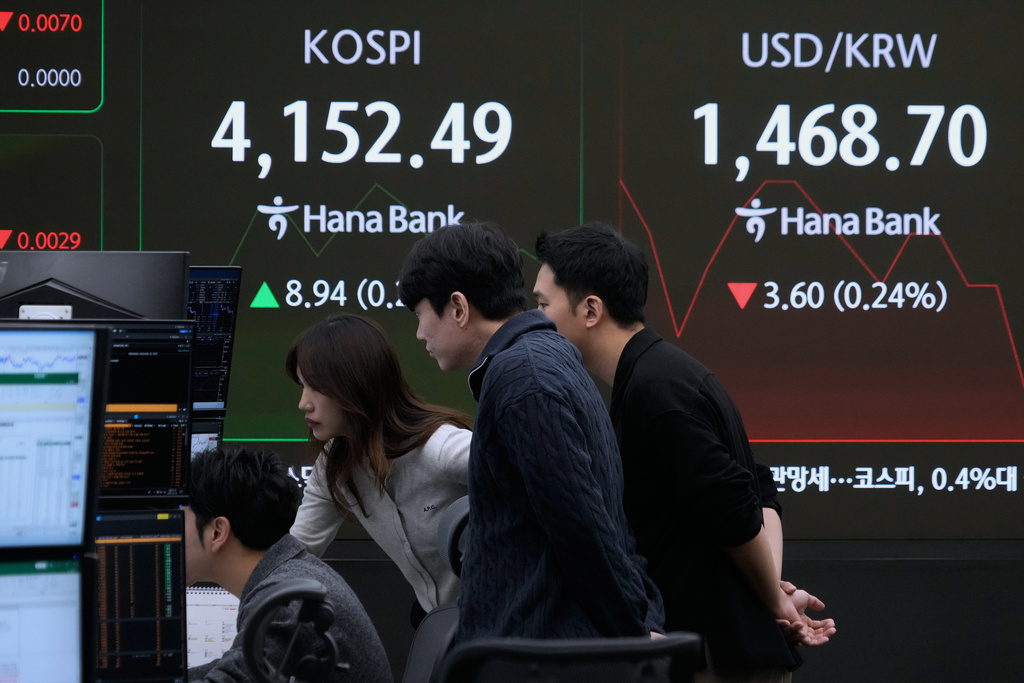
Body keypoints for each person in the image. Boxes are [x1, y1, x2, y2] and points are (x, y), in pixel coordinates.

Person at [534, 222, 835, 682]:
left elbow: (738, 505)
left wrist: (773, 602)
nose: (536, 321)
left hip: (717, 660)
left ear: (590, 309)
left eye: (542, 305)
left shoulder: (656, 390)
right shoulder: (660, 375)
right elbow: (756, 488)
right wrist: (770, 590)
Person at [397, 221, 664, 642]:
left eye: (420, 315)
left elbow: (582, 526)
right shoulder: (541, 362)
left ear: (458, 307)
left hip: (541, 655)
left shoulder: (524, 380)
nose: (419, 333)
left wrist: (634, 634)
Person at [285, 314, 473, 624]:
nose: (303, 403)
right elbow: (297, 553)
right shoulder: (334, 465)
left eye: (315, 387)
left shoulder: (442, 447)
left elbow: (535, 476)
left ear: (354, 385)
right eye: (302, 386)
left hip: (505, 624)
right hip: (437, 623)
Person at [184, 446, 393, 683]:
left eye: (179, 519)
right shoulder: (289, 576)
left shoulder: (286, 602)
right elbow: (240, 667)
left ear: (217, 532)